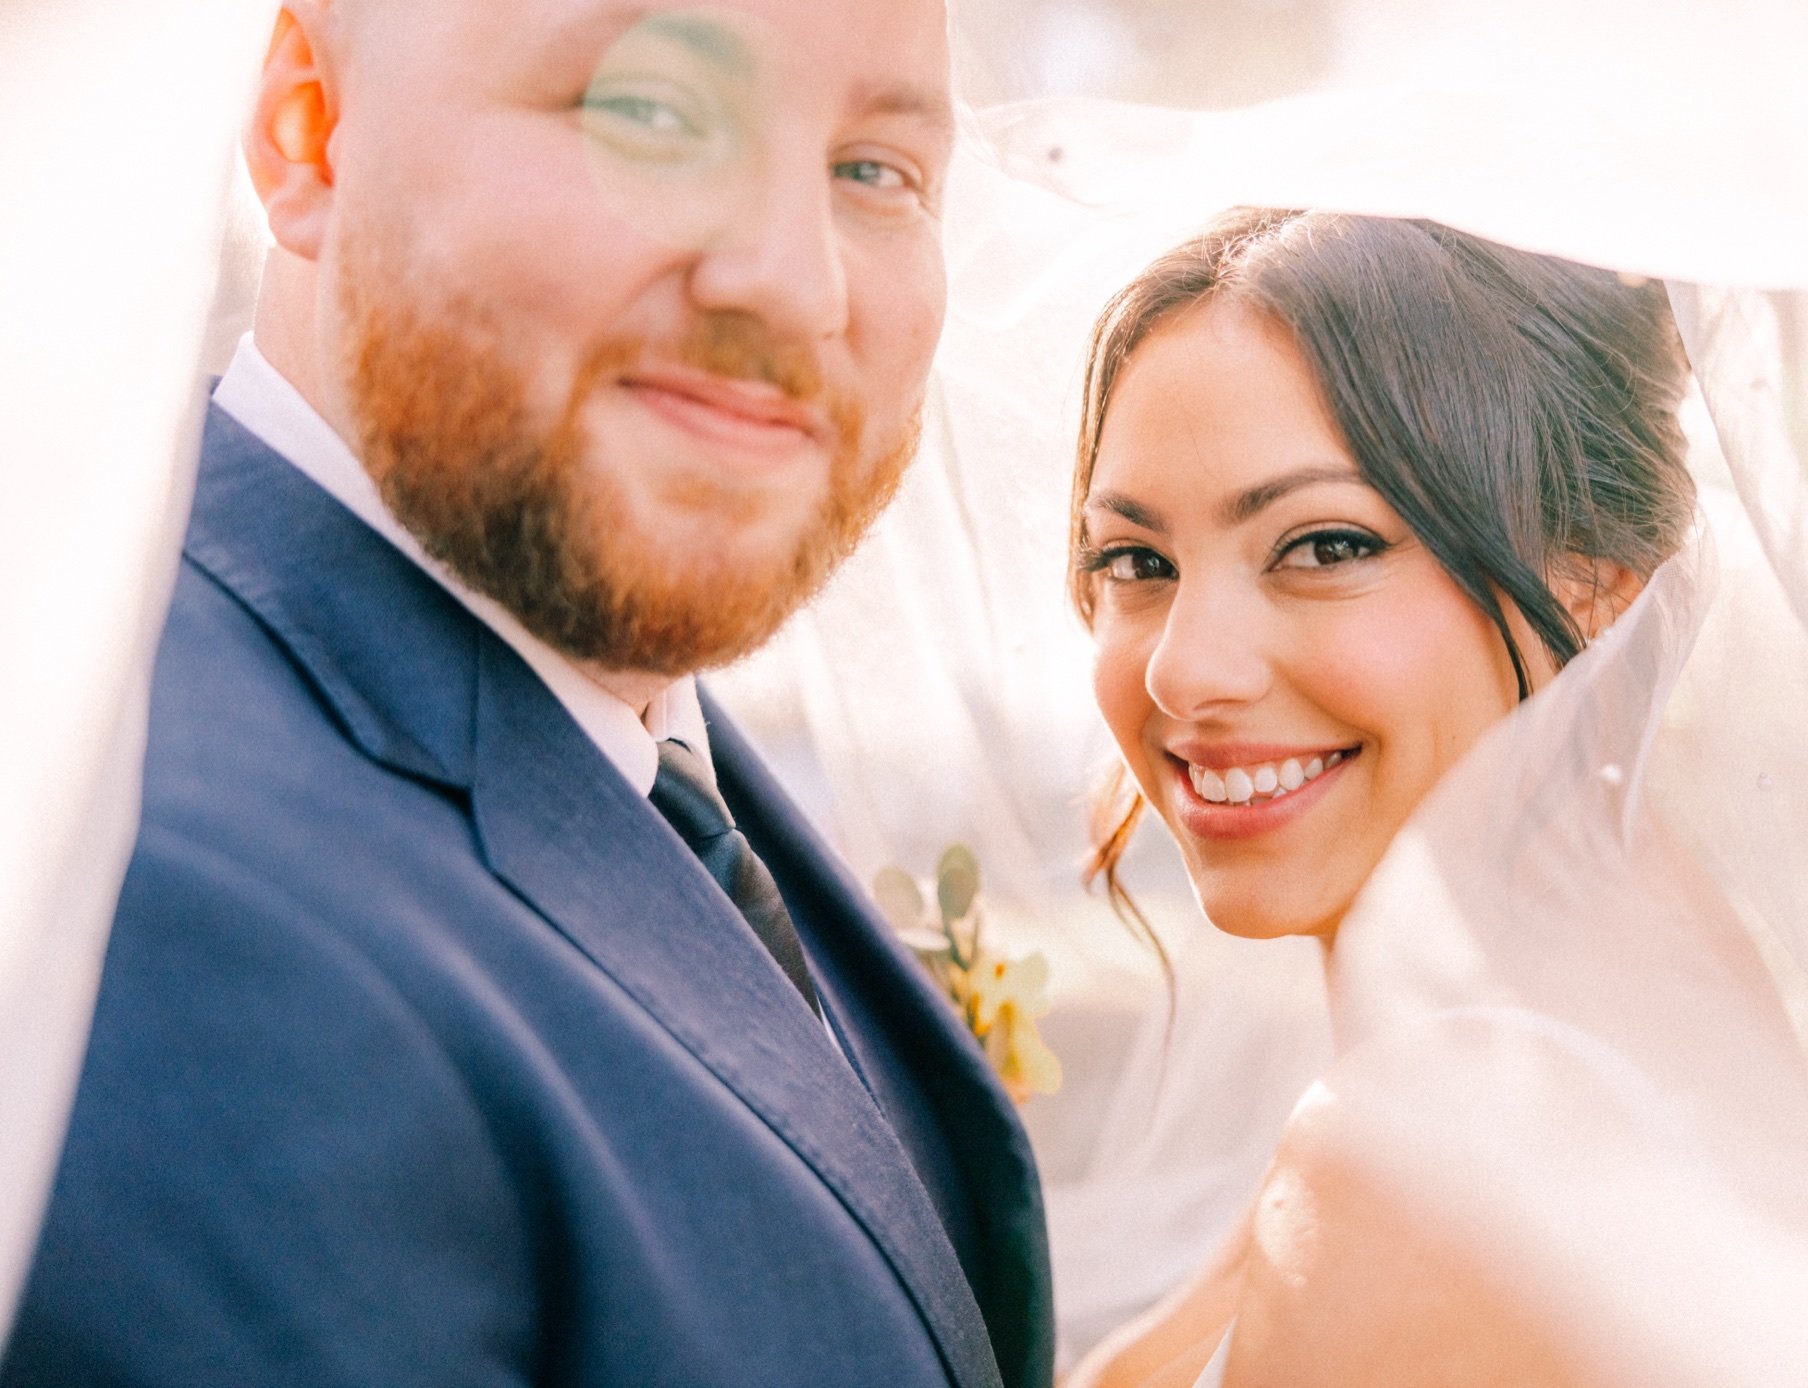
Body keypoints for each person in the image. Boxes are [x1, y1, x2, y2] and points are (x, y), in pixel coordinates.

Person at [0, 1, 1050, 1385]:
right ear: (308, 129)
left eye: (875, 171)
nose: (800, 286)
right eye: (653, 113)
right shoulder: (173, 914)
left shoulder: (639, 742)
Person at [1060, 209, 1694, 1387]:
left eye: (1325, 544)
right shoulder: (1578, 1048)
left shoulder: (1430, 1165)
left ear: (1597, 587)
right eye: (1136, 562)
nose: (1183, 670)